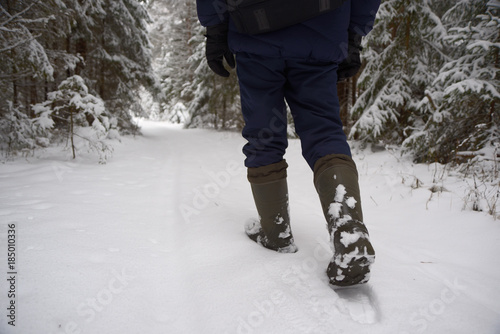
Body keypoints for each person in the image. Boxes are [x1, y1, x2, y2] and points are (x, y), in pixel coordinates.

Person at [196, 0, 380, 288]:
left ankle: (275, 232)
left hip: (254, 28)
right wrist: (353, 34)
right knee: (325, 133)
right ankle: (348, 226)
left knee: (263, 136)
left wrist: (216, 28)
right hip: (322, 30)